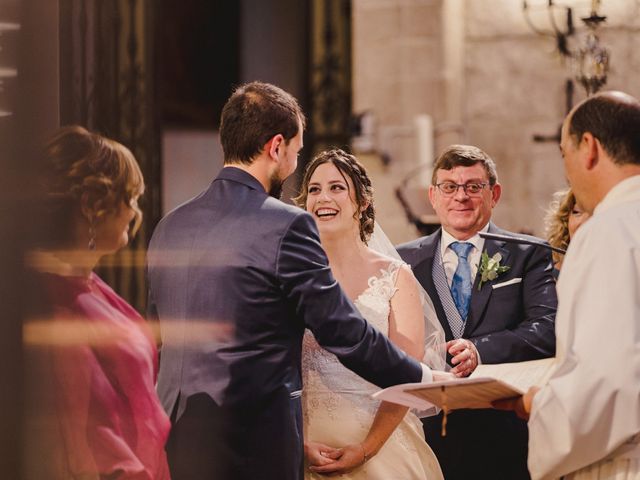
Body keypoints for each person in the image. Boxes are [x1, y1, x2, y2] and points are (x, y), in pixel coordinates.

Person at [147, 82, 445, 480]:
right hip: (254, 440)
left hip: (179, 432)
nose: (294, 163)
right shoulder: (285, 224)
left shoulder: (171, 225)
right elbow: (343, 331)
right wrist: (422, 377)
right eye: (296, 151)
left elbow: (159, 334)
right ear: (276, 147)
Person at [497, 91, 640, 480]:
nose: (567, 171)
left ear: (589, 148)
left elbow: (607, 381)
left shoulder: (608, 232)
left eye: (564, 153)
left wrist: (540, 405)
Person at [396, 144, 557, 480]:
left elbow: (547, 328)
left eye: (473, 186)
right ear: (433, 196)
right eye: (450, 187)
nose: (461, 196)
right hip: (429, 430)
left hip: (505, 429)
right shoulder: (402, 262)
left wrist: (479, 350)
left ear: (494, 194)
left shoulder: (528, 254)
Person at [24, 126, 171, 479]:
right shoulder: (60, 307)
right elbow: (87, 438)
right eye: (129, 197)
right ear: (92, 205)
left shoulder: (87, 285)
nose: (135, 212)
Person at [295, 149, 446, 479]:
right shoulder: (294, 276)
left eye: (337, 187)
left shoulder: (396, 277)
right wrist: (299, 444)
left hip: (381, 447)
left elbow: (408, 375)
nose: (323, 197)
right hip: (306, 446)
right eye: (314, 189)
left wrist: (366, 450)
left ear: (362, 201)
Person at [544, 188, 591, 273]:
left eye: (593, 213)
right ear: (565, 220)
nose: (582, 222)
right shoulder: (546, 278)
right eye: (576, 212)